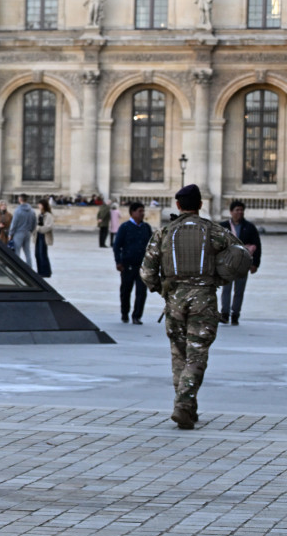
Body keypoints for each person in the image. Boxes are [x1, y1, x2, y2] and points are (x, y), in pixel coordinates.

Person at [140, 184, 244, 430]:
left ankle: (187, 406)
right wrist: (220, 279)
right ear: (200, 205)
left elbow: (146, 273)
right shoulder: (214, 231)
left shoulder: (164, 233)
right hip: (203, 299)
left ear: (178, 205)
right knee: (196, 354)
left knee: (179, 354)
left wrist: (162, 289)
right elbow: (239, 254)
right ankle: (184, 406)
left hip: (174, 300)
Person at [219, 200, 262, 326]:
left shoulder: (249, 227)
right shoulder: (223, 226)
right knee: (226, 289)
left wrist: (255, 264)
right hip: (227, 264)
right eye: (237, 210)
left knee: (239, 290)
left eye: (241, 210)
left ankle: (235, 314)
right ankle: (225, 313)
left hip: (243, 264)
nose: (239, 212)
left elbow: (257, 245)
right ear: (231, 212)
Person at [112, 202, 152, 325]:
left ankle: (137, 316)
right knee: (125, 291)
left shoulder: (146, 228)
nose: (142, 213)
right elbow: (117, 246)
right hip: (127, 265)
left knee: (141, 292)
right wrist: (118, 261)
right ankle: (125, 313)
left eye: (143, 211)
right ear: (132, 212)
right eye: (140, 211)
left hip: (142, 266)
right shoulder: (125, 227)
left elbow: (151, 246)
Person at [10, 194, 37, 268]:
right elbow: (35, 223)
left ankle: (17, 267)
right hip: (27, 232)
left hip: (18, 233)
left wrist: (10, 234)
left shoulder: (18, 210)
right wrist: (30, 230)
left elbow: (14, 223)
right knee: (27, 252)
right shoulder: (32, 211)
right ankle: (29, 267)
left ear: (20, 199)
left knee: (17, 252)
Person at [35, 199, 54, 278]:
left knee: (43, 254)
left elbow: (49, 227)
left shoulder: (48, 215)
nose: (38, 206)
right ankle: (40, 271)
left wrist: (38, 228)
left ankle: (46, 272)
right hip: (38, 236)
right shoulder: (40, 214)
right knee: (37, 254)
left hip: (44, 236)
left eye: (40, 204)